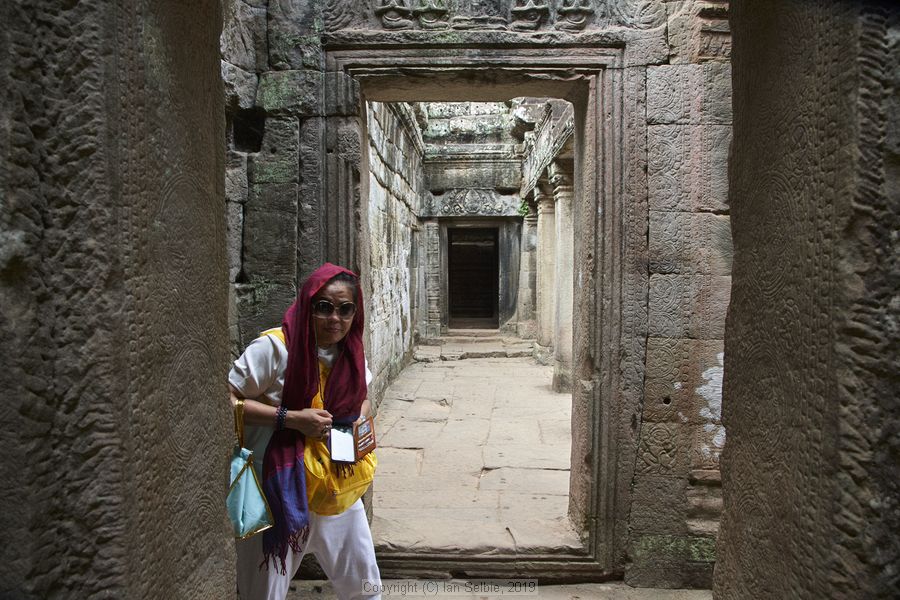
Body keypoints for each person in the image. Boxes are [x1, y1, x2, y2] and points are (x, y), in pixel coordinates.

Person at [228, 263, 382, 600]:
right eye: (323, 307)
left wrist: (358, 421)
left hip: (336, 487)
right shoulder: (276, 348)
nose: (335, 319)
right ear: (307, 304)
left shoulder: (350, 353)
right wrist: (292, 419)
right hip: (281, 489)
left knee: (366, 586)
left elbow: (364, 399)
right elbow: (225, 399)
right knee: (264, 591)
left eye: (345, 309)